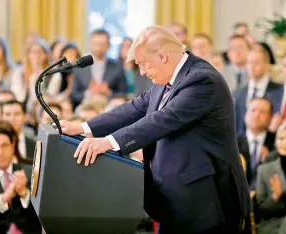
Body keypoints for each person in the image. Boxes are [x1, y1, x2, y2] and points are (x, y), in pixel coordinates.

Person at [58, 25, 251, 234]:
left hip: (209, 202)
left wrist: (108, 142)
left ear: (162, 57)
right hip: (178, 199)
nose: (141, 72)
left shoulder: (202, 80)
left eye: (143, 64)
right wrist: (83, 127)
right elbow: (136, 107)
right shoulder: (167, 77)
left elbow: (162, 120)